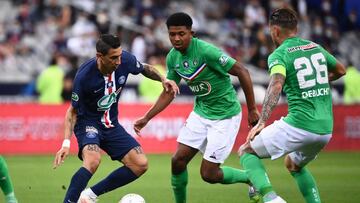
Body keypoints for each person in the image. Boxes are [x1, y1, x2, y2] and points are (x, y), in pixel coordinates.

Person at [134, 12, 260, 203]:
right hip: (201, 113)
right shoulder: (173, 58)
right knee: (177, 161)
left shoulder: (206, 51)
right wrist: (146, 118)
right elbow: (169, 91)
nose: (176, 38)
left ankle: (251, 178)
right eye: (172, 34)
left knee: (209, 174)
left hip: (225, 116)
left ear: (191, 33)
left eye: (181, 34)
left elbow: (242, 71)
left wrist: (251, 109)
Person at [53, 34, 179, 203]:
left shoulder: (124, 59)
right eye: (113, 58)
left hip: (111, 124)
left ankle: (89, 195)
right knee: (93, 160)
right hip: (88, 124)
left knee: (140, 164)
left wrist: (163, 79)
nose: (119, 61)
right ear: (100, 56)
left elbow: (145, 68)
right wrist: (66, 144)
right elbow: (72, 112)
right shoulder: (84, 77)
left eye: (119, 56)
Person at [238, 8, 346, 203]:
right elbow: (340, 70)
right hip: (325, 130)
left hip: (300, 124)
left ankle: (272, 199)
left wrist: (262, 121)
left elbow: (277, 83)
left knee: (246, 152)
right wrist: (320, 81)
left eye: (271, 31)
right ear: (295, 29)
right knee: (293, 165)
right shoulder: (315, 47)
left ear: (275, 31)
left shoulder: (279, 55)